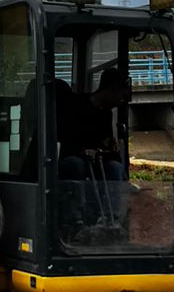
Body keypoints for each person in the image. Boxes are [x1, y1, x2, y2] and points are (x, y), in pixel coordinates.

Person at [55, 67, 131, 232]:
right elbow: (64, 138)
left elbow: (105, 143)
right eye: (121, 95)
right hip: (72, 159)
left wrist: (109, 150)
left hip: (97, 162)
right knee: (76, 165)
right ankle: (77, 219)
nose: (121, 101)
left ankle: (111, 219)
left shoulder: (107, 114)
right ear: (110, 90)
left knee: (116, 168)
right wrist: (84, 150)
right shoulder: (75, 106)